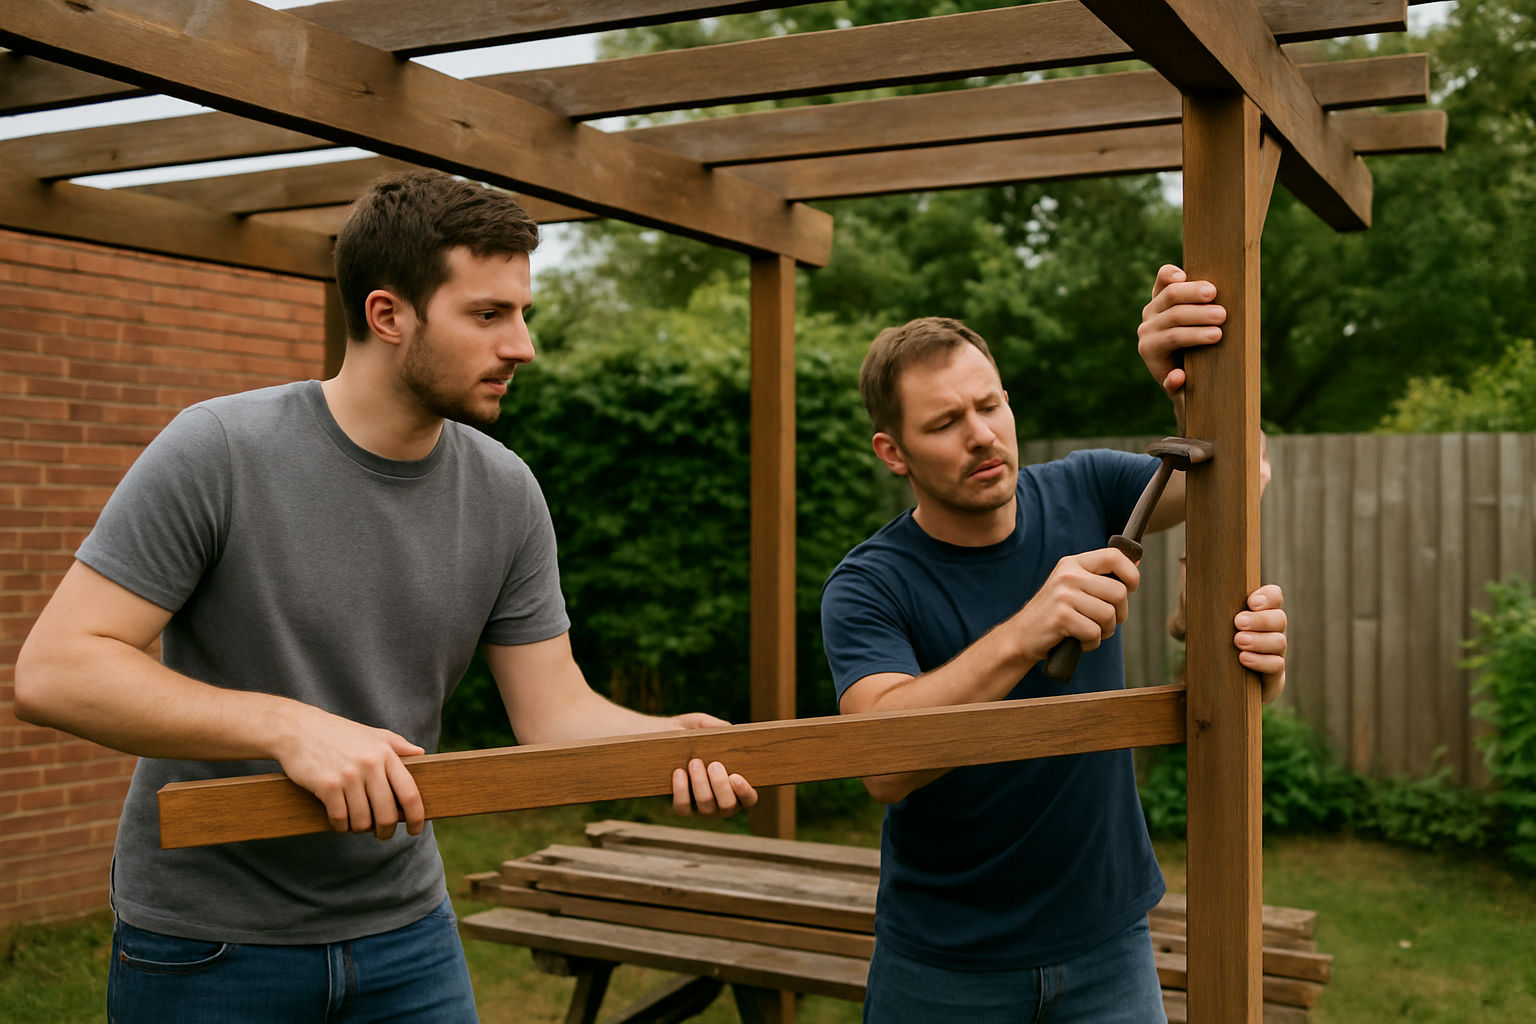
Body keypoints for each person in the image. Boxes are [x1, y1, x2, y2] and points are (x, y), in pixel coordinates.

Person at [13, 169, 756, 1023]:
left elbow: (553, 715)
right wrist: (287, 725)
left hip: (406, 932)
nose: (523, 346)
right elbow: (58, 670)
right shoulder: (219, 450)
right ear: (387, 315)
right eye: (488, 315)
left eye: (523, 315)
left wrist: (662, 742)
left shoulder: (506, 492)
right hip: (209, 943)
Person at [819, 265, 1287, 1023]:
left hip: (1110, 947)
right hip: (944, 967)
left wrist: (1186, 379)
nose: (980, 436)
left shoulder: (1090, 487)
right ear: (893, 452)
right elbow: (882, 766)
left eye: (989, 405)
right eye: (943, 424)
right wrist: (1027, 630)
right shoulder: (870, 584)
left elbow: (1242, 472)